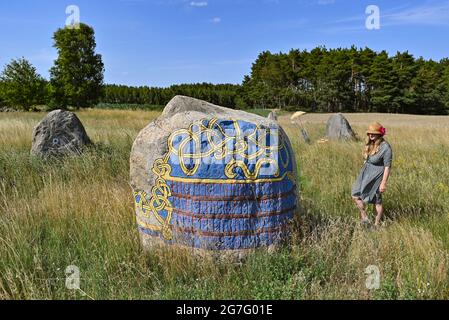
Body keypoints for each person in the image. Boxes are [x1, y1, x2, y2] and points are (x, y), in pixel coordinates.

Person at [351, 122, 392, 227]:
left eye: (373, 133)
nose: (371, 135)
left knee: (376, 201)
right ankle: (364, 217)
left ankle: (376, 224)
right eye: (369, 133)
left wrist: (383, 183)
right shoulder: (370, 143)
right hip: (365, 173)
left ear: (379, 134)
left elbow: (387, 167)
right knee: (355, 195)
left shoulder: (385, 147)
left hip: (377, 177)